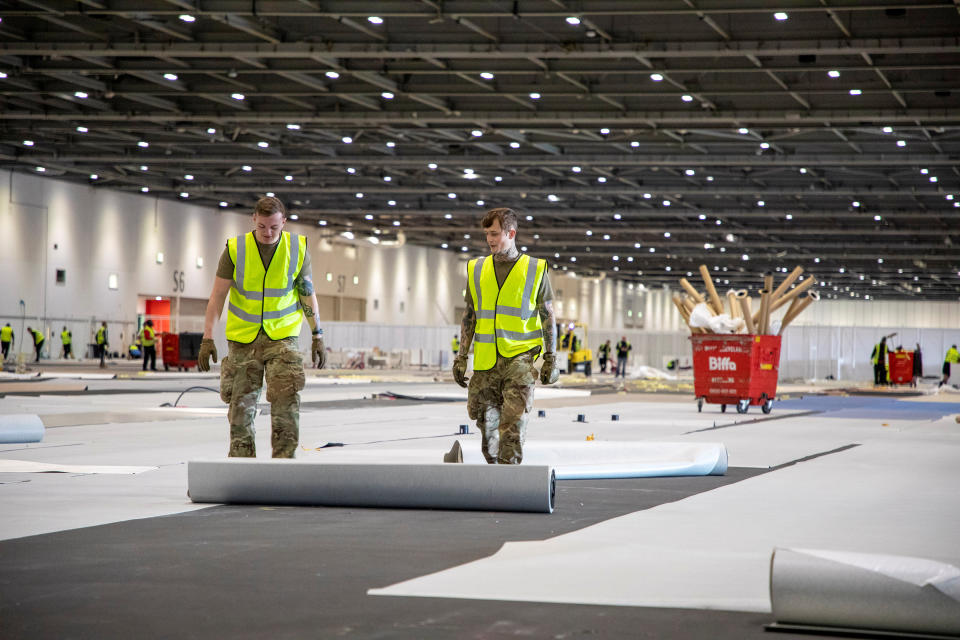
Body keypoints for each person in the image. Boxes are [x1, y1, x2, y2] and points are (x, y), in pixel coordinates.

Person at [198, 196, 325, 459]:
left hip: (282, 339)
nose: (268, 233)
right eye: (263, 226)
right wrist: (207, 338)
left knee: (285, 406)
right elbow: (217, 296)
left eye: (274, 228)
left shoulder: (297, 249)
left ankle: (283, 467)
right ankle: (242, 468)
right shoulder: (235, 249)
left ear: (284, 223)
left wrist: (317, 334)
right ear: (253, 219)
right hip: (243, 340)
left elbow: (307, 294)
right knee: (240, 410)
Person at [452, 207, 559, 465]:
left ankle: (507, 483)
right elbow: (470, 316)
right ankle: (497, 479)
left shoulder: (534, 269)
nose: (489, 239)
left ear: (511, 233)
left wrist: (551, 357)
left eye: (495, 233)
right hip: (486, 361)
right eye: (487, 234)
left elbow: (548, 315)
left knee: (512, 426)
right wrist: (461, 357)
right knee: (486, 426)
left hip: (520, 360)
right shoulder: (477, 269)